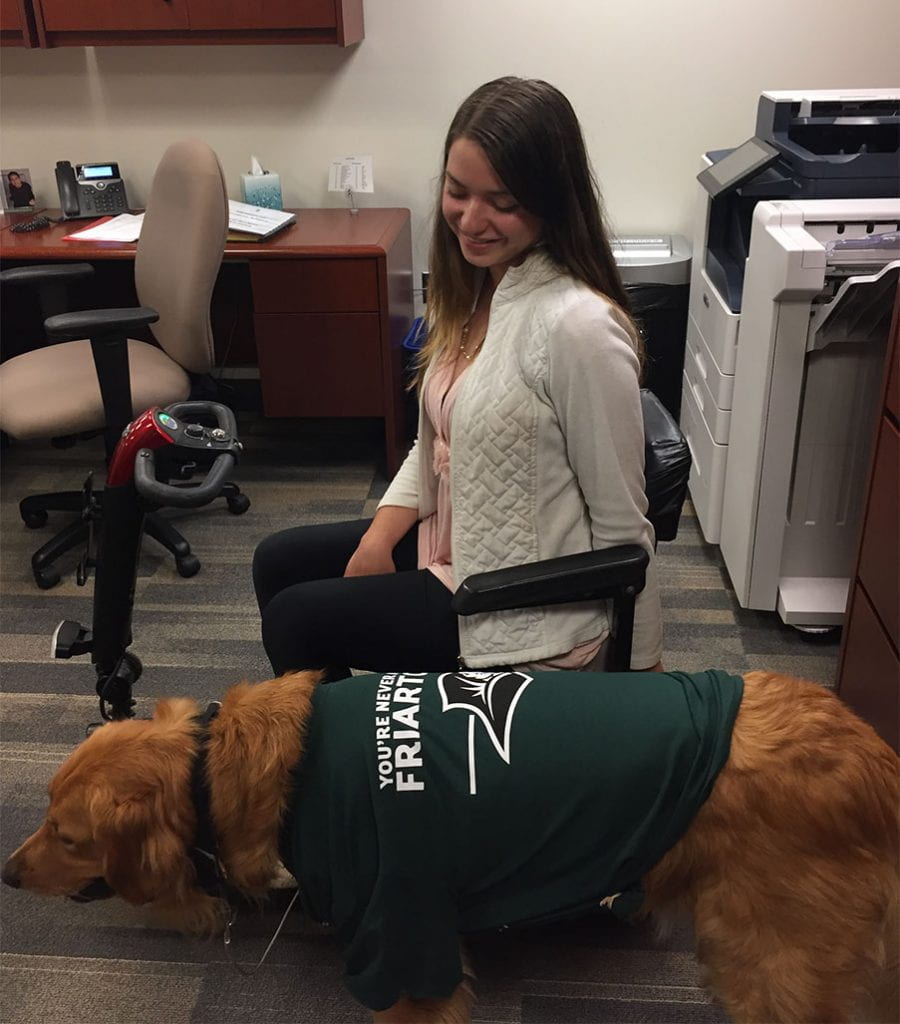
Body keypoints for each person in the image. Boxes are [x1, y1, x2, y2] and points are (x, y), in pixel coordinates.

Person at [253, 76, 663, 679]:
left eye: (502, 202)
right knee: (277, 561)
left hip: (516, 599)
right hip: (455, 543)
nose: (471, 221)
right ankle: (356, 740)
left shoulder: (577, 327)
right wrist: (376, 540)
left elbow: (625, 530)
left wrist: (641, 674)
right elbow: (437, 444)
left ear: (553, 201)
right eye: (457, 191)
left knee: (298, 620)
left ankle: (346, 754)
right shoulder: (476, 289)